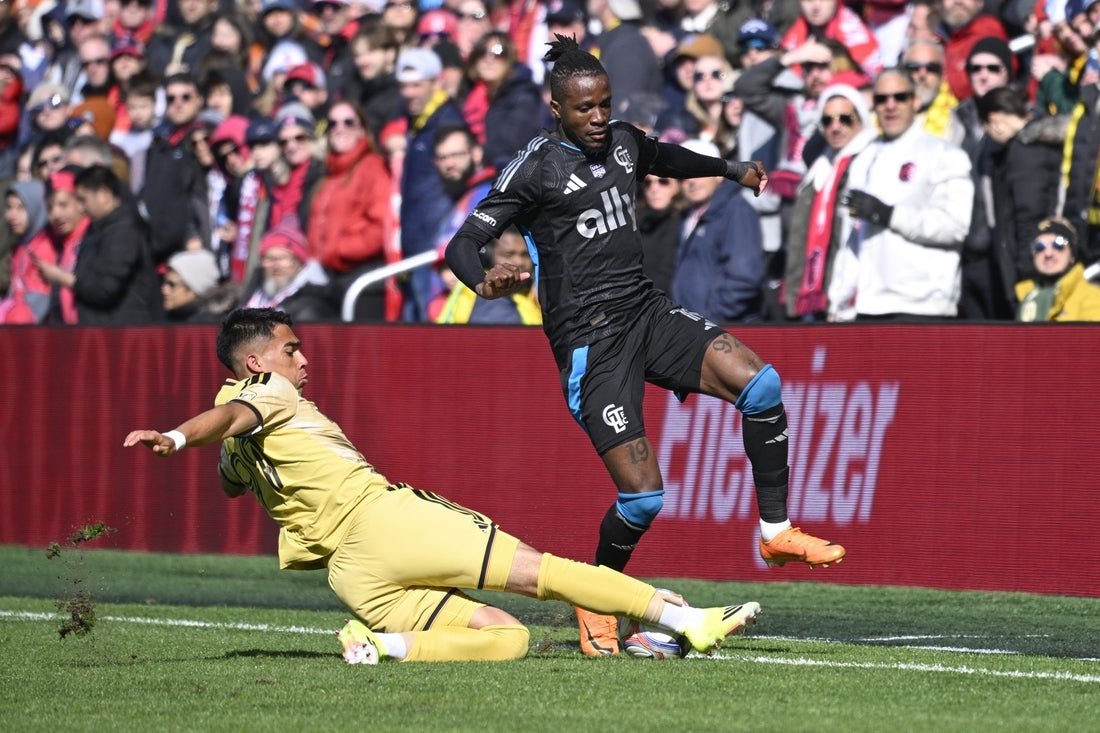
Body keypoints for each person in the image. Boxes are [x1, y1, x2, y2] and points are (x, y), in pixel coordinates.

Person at [445, 35, 844, 657]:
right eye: (585, 108)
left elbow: (666, 158)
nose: (599, 117)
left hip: (645, 311)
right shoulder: (536, 167)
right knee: (644, 496)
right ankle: (596, 599)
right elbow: (462, 243)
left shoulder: (624, 141)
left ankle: (774, 530)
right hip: (590, 343)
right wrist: (483, 279)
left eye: (605, 103)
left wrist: (729, 169)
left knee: (762, 385)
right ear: (556, 109)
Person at [123, 307, 763, 663]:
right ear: (256, 362)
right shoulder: (268, 391)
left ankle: (379, 646)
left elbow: (230, 473)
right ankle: (687, 620)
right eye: (291, 348)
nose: (303, 357)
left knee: (507, 639)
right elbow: (232, 414)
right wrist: (176, 436)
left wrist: (219, 454)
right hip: (383, 525)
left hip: (352, 578)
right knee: (544, 572)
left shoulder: (241, 440)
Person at [828, 69, 973, 321]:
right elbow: (849, 239)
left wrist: (889, 215)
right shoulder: (862, 158)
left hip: (921, 305)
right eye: (882, 99)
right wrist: (839, 301)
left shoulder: (945, 155)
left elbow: (955, 227)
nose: (890, 105)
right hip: (866, 305)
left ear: (915, 101)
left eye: (900, 97)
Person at [784, 84, 876, 320]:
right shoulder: (821, 165)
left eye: (845, 119)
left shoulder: (872, 160)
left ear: (861, 119)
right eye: (827, 121)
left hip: (854, 296)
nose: (836, 127)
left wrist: (843, 298)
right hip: (819, 290)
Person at [36, 164, 160, 324]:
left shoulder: (124, 232)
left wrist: (63, 278)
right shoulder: (99, 229)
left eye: (83, 200)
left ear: (104, 194)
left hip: (124, 330)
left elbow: (104, 289)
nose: (81, 208)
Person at [670, 138, 765, 323]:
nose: (692, 181)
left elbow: (744, 277)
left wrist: (711, 318)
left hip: (725, 330)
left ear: (719, 175)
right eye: (685, 175)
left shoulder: (736, 210)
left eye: (699, 172)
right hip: (694, 329)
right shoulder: (688, 216)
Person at [436, 226, 540, 324]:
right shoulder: (492, 293)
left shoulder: (529, 290)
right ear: (488, 256)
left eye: (525, 255)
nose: (519, 262)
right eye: (508, 254)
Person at [240, 223, 336, 321]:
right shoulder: (253, 293)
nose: (276, 265)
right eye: (269, 258)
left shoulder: (311, 306)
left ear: (299, 263)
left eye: (283, 258)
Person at [1015, 217, 1100, 321]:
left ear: (1072, 254)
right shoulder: (1024, 296)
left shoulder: (1093, 297)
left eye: (1058, 244)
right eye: (1039, 247)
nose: (1048, 253)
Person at [161, 248, 238, 323]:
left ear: (193, 289)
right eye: (164, 282)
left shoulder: (206, 326)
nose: (164, 289)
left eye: (171, 285)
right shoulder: (175, 318)